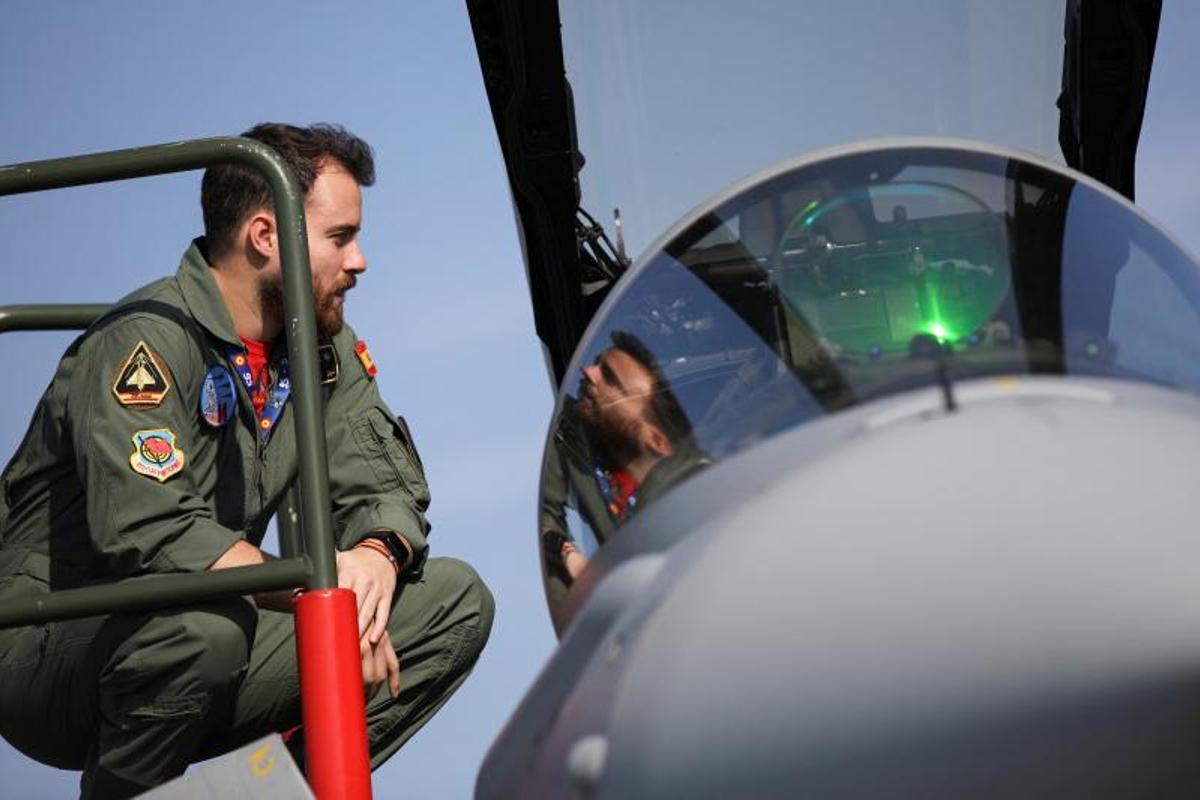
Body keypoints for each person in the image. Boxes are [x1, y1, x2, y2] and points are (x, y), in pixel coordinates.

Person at [0, 122, 494, 799]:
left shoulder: (322, 347)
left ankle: (266, 791)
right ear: (267, 236)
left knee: (454, 602)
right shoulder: (141, 344)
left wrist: (378, 555)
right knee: (207, 629)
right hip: (47, 647)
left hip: (202, 629)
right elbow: (156, 534)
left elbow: (381, 483)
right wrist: (325, 590)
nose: (360, 262)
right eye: (341, 237)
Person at [540, 330, 709, 616]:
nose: (588, 372)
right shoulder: (572, 433)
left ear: (655, 440)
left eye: (610, 378)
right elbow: (546, 515)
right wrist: (568, 554)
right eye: (597, 363)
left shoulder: (697, 496)